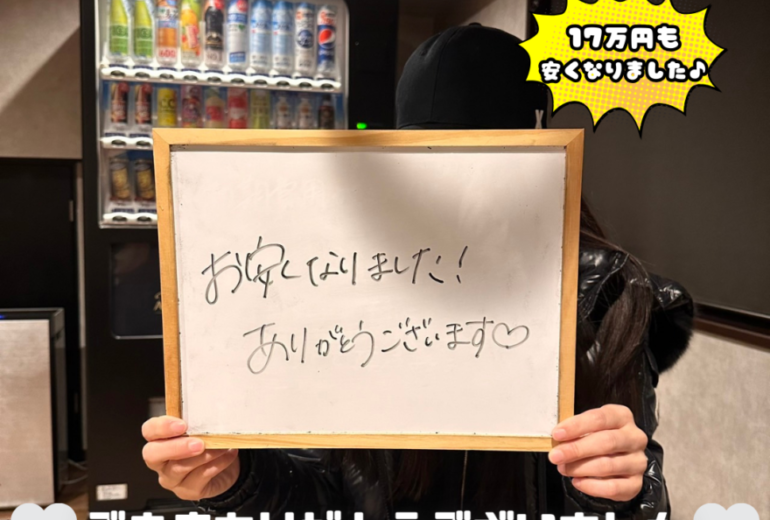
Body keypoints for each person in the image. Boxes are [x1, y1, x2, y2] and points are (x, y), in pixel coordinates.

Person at [141, 25, 694, 519]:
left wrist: (622, 491)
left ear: (537, 159)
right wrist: (236, 479)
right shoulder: (351, 279)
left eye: (478, 162)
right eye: (422, 162)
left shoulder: (602, 291)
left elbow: (637, 492)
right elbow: (326, 488)